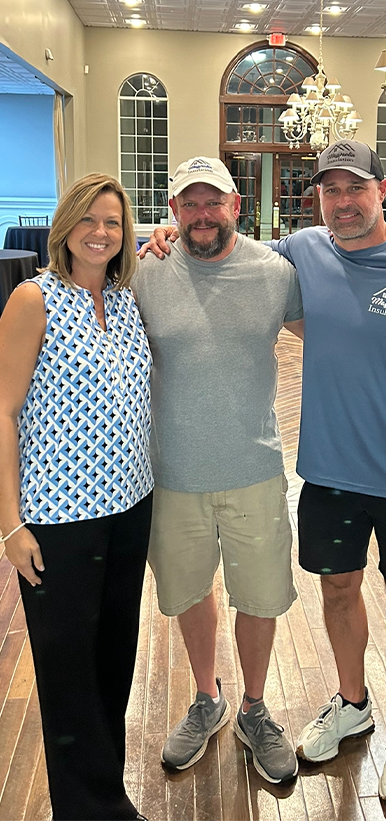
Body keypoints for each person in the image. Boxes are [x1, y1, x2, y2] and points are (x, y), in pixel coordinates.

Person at [146, 141, 386, 805]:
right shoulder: (300, 252)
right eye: (330, 190)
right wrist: (163, 236)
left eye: (356, 187)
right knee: (337, 590)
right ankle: (351, 703)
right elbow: (218, 248)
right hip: (327, 469)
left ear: (382, 188)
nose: (343, 202)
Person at [133, 156, 303, 785]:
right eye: (189, 204)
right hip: (172, 470)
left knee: (259, 595)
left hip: (254, 465)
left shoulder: (276, 272)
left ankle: (255, 708)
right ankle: (208, 698)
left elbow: (332, 337)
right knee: (190, 591)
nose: (202, 215)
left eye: (214, 202)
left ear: (236, 205)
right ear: (173, 211)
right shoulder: (145, 271)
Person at [0, 174, 153, 821]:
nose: (100, 232)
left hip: (131, 507)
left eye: (112, 222)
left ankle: (105, 796)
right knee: (68, 673)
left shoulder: (124, 299)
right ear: (65, 227)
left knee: (113, 660)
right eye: (88, 219)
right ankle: (89, 810)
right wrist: (10, 526)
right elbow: (3, 411)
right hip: (60, 518)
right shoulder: (33, 299)